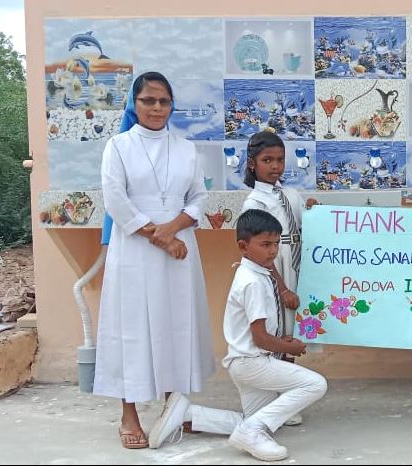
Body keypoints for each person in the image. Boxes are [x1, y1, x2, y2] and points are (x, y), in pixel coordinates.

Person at [93, 71, 215, 449]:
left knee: (176, 323)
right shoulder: (118, 146)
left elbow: (198, 198)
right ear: (135, 104)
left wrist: (172, 229)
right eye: (148, 100)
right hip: (135, 250)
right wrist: (157, 236)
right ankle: (128, 414)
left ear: (171, 105)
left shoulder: (186, 149)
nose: (157, 108)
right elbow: (115, 199)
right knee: (131, 327)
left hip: (179, 248)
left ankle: (174, 407)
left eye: (164, 101)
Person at [146, 209, 327, 461]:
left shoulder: (257, 273)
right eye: (265, 244)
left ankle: (189, 415)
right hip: (252, 363)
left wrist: (279, 341)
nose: (273, 251)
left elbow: (261, 333)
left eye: (276, 244)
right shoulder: (253, 282)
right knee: (315, 384)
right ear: (243, 246)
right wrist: (290, 348)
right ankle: (251, 432)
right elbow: (260, 339)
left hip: (244, 362)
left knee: (254, 419)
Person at [240, 131, 320, 425]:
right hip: (275, 269)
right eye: (267, 160)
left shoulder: (290, 195)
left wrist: (313, 212)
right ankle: (276, 398)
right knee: (277, 330)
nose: (275, 166)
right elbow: (260, 250)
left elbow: (302, 226)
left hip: (295, 266)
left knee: (291, 329)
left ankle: (287, 396)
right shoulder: (255, 202)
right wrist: (281, 286)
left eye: (280, 160)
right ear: (252, 164)